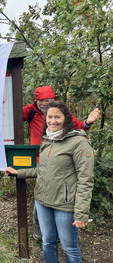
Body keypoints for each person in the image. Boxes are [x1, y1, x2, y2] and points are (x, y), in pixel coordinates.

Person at [6, 100, 94, 263]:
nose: (52, 121)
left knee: (70, 248)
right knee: (48, 242)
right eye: (50, 117)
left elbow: (85, 180)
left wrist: (81, 213)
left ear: (66, 119)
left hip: (65, 206)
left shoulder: (79, 143)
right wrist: (18, 172)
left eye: (57, 117)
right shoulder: (48, 140)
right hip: (43, 202)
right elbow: (42, 170)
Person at [23, 85, 100, 240]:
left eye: (47, 100)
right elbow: (8, 112)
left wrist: (88, 122)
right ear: (36, 101)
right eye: (41, 101)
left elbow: (77, 126)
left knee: (58, 197)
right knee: (42, 198)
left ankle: (56, 232)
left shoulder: (61, 112)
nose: (44, 104)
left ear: (54, 99)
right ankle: (40, 232)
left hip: (61, 160)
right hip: (40, 160)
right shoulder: (30, 111)